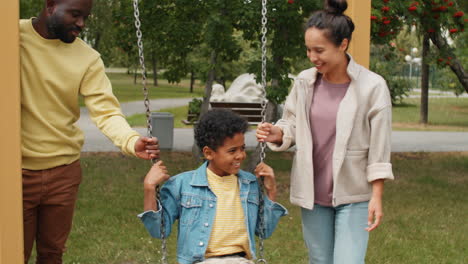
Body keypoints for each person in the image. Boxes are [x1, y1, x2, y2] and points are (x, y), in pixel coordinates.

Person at [20, 0, 160, 263]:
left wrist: (131, 141)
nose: (81, 24)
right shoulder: (11, 36)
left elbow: (106, 111)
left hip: (63, 172)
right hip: (15, 172)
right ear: (50, 5)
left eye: (85, 17)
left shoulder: (87, 58)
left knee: (52, 254)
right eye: (75, 14)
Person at [256, 0, 394, 263]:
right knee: (319, 261)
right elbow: (291, 123)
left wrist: (376, 195)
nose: (312, 57)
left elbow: (380, 148)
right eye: (308, 50)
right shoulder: (304, 82)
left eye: (319, 50)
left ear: (342, 45)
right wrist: (277, 133)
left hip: (354, 193)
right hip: (313, 193)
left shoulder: (373, 87)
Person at [139, 109, 287, 264]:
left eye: (242, 148)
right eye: (232, 150)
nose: (240, 155)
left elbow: (264, 231)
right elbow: (158, 230)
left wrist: (271, 190)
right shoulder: (182, 185)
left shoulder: (249, 184)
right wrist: (150, 188)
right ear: (209, 153)